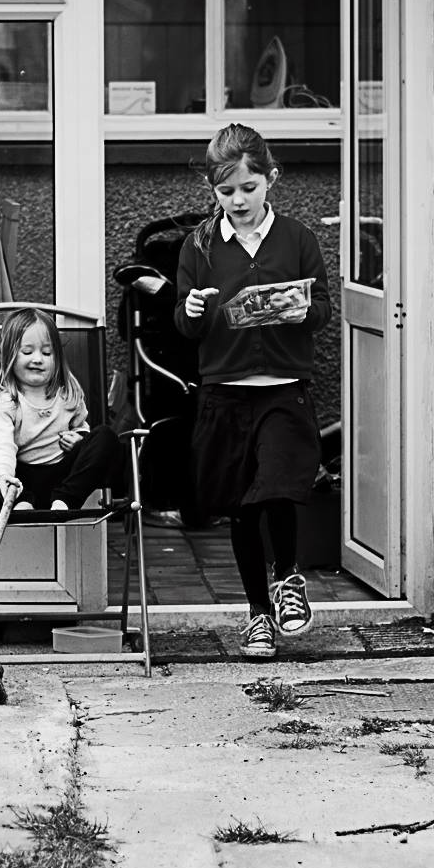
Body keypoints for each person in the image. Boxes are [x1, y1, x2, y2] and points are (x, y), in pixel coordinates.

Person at [173, 124, 332, 659]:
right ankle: (258, 613)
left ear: (271, 180)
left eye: (248, 188)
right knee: (242, 505)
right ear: (212, 191)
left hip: (284, 387)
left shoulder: (298, 239)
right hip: (226, 391)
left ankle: (287, 577)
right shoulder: (199, 246)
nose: (238, 200)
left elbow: (324, 309)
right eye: (226, 192)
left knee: (280, 486)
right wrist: (192, 311)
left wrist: (303, 307)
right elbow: (184, 321)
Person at [0, 307, 120, 512]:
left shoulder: (68, 393)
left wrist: (80, 439)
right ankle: (15, 502)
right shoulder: (7, 400)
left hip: (62, 479)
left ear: (56, 357)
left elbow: (81, 427)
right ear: (9, 356)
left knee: (106, 436)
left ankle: (66, 501)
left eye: (47, 352)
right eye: (27, 351)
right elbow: (2, 445)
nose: (38, 358)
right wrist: (4, 476)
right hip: (20, 481)